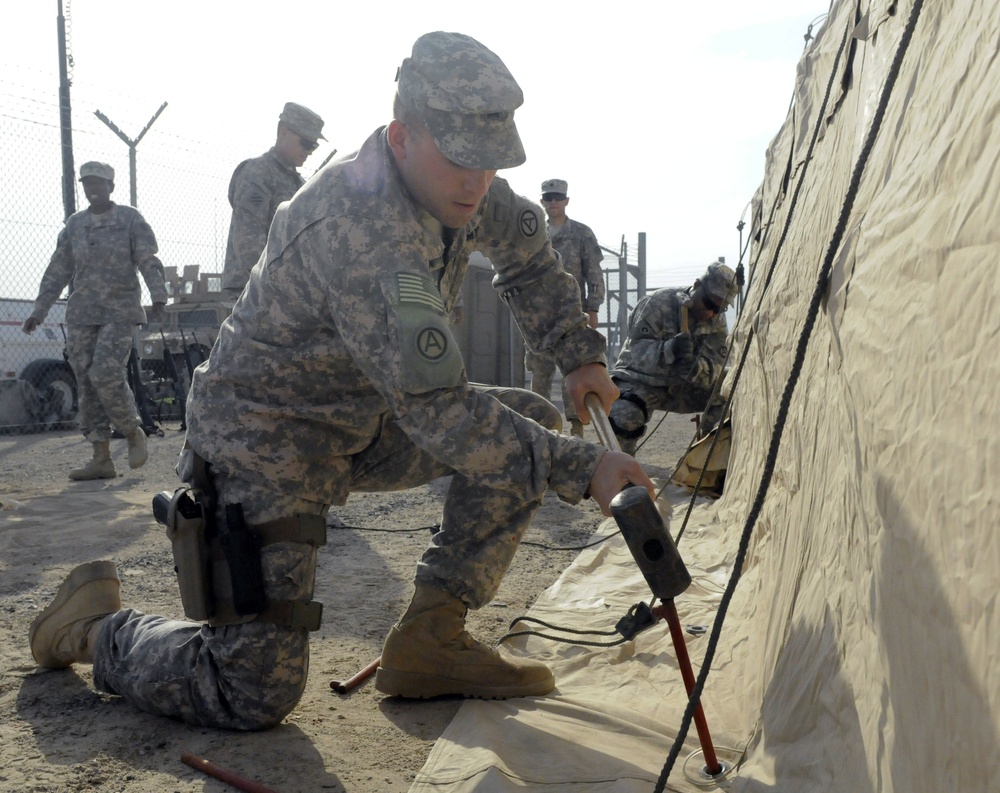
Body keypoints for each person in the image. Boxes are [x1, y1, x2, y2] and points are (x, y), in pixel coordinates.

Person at [28, 31, 654, 731]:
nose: (476, 182)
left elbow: (530, 254)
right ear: (400, 137)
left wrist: (578, 354)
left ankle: (431, 640)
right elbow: (443, 413)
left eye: (490, 161)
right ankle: (98, 628)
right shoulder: (363, 228)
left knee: (525, 424)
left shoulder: (463, 185)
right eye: (458, 159)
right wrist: (588, 466)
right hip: (269, 440)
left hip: (365, 420)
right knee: (251, 689)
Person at [22, 161, 168, 479]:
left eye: (99, 183)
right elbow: (57, 270)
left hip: (120, 310)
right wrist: (39, 310)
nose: (92, 189)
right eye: (87, 183)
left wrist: (158, 294)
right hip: (83, 313)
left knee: (105, 372)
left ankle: (132, 431)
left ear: (111, 186)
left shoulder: (129, 219)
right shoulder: (75, 225)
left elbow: (147, 257)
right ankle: (100, 457)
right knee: (86, 382)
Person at [608, 262, 738, 455]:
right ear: (696, 286)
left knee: (732, 386)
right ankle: (620, 469)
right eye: (709, 303)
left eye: (720, 309)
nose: (711, 313)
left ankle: (708, 461)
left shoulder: (715, 323)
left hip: (684, 388)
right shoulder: (657, 303)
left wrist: (698, 368)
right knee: (625, 412)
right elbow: (636, 353)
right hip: (642, 383)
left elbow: (716, 366)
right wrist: (670, 349)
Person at [220, 102, 326, 298]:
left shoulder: (299, 184)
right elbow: (248, 240)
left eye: (314, 145)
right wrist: (274, 287)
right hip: (252, 292)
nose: (310, 151)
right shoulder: (257, 173)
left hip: (286, 293)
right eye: (306, 143)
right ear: (284, 132)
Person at [525, 178, 605, 437]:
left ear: (567, 200)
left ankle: (576, 427)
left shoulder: (582, 234)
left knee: (573, 371)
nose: (553, 202)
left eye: (558, 197)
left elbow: (594, 275)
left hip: (571, 315)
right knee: (540, 373)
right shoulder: (534, 234)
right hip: (538, 317)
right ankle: (540, 427)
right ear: (542, 202)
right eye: (548, 198)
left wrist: (593, 309)